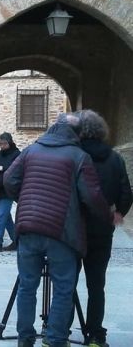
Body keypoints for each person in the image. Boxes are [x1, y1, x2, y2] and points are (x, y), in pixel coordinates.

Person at [3, 113, 113, 347]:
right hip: (61, 231)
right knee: (63, 288)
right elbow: (92, 196)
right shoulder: (79, 156)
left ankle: (25, 338)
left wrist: (25, 201)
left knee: (27, 284)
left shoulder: (31, 150)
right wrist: (106, 216)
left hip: (29, 227)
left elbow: (9, 179)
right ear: (77, 133)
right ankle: (55, 340)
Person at [75, 110, 132, 347]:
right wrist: (119, 212)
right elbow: (126, 191)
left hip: (74, 227)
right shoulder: (114, 158)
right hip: (102, 227)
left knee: (67, 281)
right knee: (96, 284)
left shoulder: (73, 155)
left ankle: (59, 331)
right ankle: (96, 335)